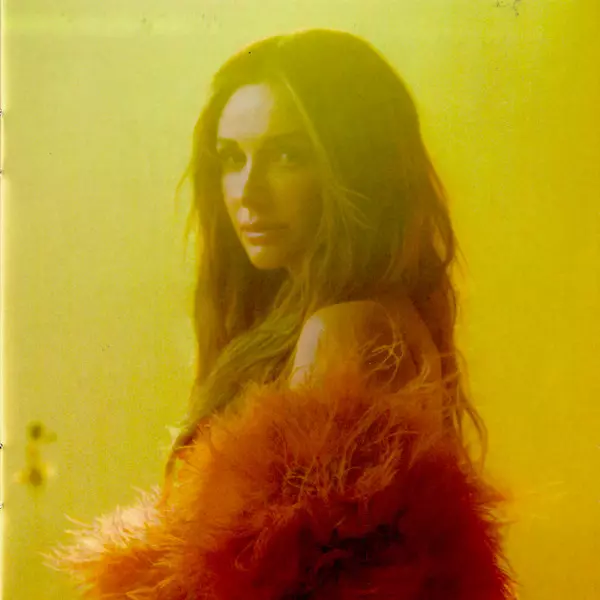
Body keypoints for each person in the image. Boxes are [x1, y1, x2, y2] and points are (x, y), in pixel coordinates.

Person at [47, 29, 517, 599]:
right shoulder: (357, 318)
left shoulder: (341, 330)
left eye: (288, 155)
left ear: (356, 168)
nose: (248, 191)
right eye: (232, 158)